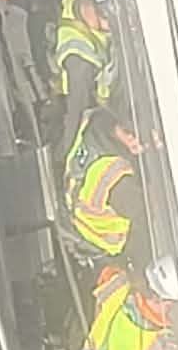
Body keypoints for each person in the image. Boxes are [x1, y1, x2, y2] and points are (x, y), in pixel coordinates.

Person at [63, 105, 148, 262]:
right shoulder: (117, 185)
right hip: (111, 238)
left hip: (78, 201)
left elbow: (98, 117)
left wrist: (120, 132)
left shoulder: (96, 131)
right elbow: (149, 210)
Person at [52, 0, 115, 157]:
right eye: (108, 20)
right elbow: (77, 115)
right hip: (100, 108)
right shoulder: (80, 64)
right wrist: (71, 156)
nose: (111, 26)